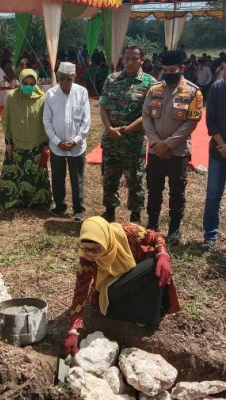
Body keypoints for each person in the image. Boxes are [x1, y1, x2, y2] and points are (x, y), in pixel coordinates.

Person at [63, 216, 180, 356]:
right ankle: (138, 311)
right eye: (86, 249)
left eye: (96, 249)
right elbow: (81, 288)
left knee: (156, 265)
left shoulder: (129, 232)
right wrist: (73, 330)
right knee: (111, 293)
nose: (92, 255)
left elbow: (156, 237)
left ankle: (148, 314)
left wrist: (162, 253)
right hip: (113, 286)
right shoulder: (87, 256)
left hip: (137, 272)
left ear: (106, 241)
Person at [142, 51, 202, 246]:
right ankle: (152, 225)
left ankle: (174, 230)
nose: (167, 73)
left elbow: (191, 122)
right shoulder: (154, 90)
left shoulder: (193, 92)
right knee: (154, 190)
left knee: (177, 192)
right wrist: (155, 143)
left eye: (172, 70)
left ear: (181, 69)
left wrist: (166, 144)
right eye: (164, 70)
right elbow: (146, 117)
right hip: (155, 151)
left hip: (178, 152)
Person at [99, 44, 157, 223]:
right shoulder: (112, 79)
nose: (130, 62)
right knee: (109, 177)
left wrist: (125, 130)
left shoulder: (150, 83)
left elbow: (149, 115)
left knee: (135, 180)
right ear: (122, 59)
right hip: (111, 140)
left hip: (133, 142)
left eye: (134, 59)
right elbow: (103, 106)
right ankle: (110, 211)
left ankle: (135, 216)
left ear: (142, 60)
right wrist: (109, 129)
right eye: (127, 58)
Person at [0, 69, 51, 211]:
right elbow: (6, 120)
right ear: (20, 82)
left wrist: (45, 144)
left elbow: (46, 123)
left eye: (32, 83)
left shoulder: (43, 98)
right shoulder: (12, 97)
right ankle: (12, 202)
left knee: (36, 173)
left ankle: (37, 202)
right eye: (25, 83)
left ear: (36, 83)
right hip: (16, 143)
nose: (28, 86)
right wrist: (8, 143)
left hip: (36, 143)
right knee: (14, 174)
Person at [43, 62, 91, 221]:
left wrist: (76, 140)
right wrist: (57, 141)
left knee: (77, 178)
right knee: (57, 176)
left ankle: (78, 210)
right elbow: (47, 121)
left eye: (68, 79)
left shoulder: (82, 92)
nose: (64, 82)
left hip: (76, 146)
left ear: (74, 77)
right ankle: (60, 205)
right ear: (57, 77)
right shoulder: (50, 94)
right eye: (61, 78)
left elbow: (86, 120)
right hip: (57, 146)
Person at [201, 63, 226, 251]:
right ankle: (210, 236)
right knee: (213, 195)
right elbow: (210, 120)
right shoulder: (217, 88)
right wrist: (222, 144)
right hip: (218, 150)